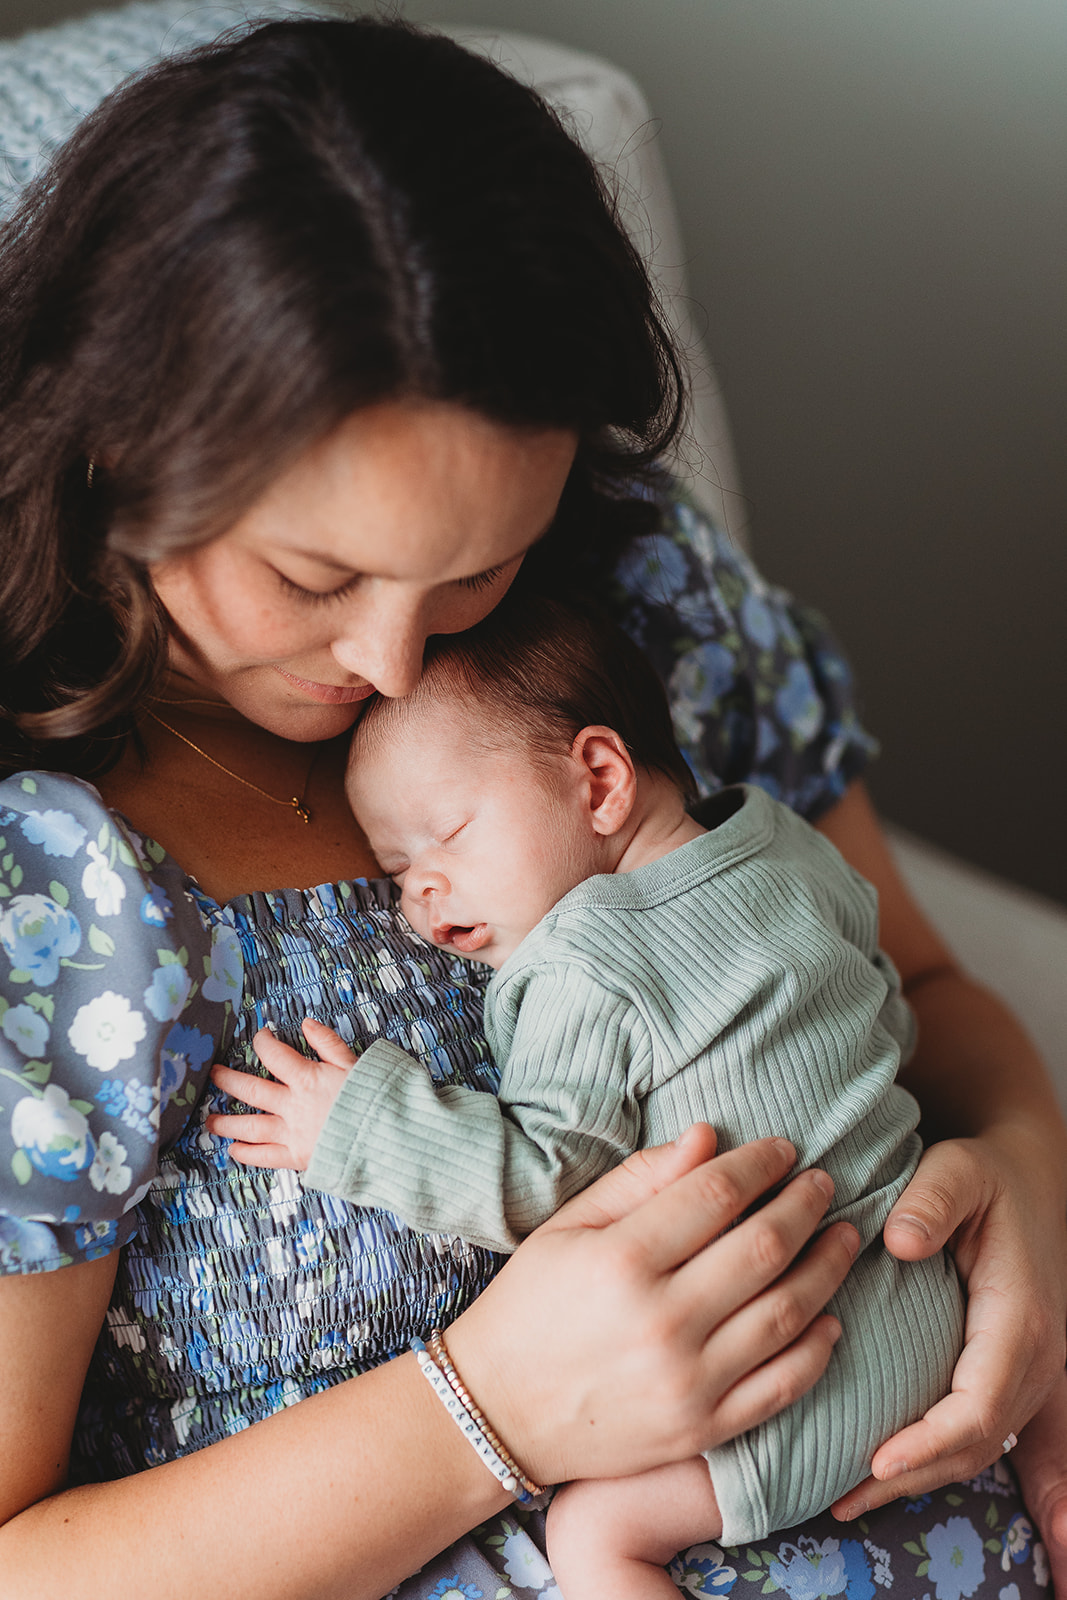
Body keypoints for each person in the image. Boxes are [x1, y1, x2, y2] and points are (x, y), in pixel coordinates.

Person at [0, 17, 1063, 1600]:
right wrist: (483, 1415)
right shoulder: (56, 879)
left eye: (476, 567)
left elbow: (908, 985)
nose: (386, 658)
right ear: (112, 447)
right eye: (312, 575)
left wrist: (1034, 1182)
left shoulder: (632, 608)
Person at [206, 595, 966, 1593]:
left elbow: (546, 1177)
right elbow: (885, 1012)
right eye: (395, 871)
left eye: (445, 837)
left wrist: (356, 1123)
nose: (419, 893)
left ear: (597, 778)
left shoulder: (580, 960)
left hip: (795, 1362)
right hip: (934, 1307)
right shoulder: (782, 845)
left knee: (595, 1531)